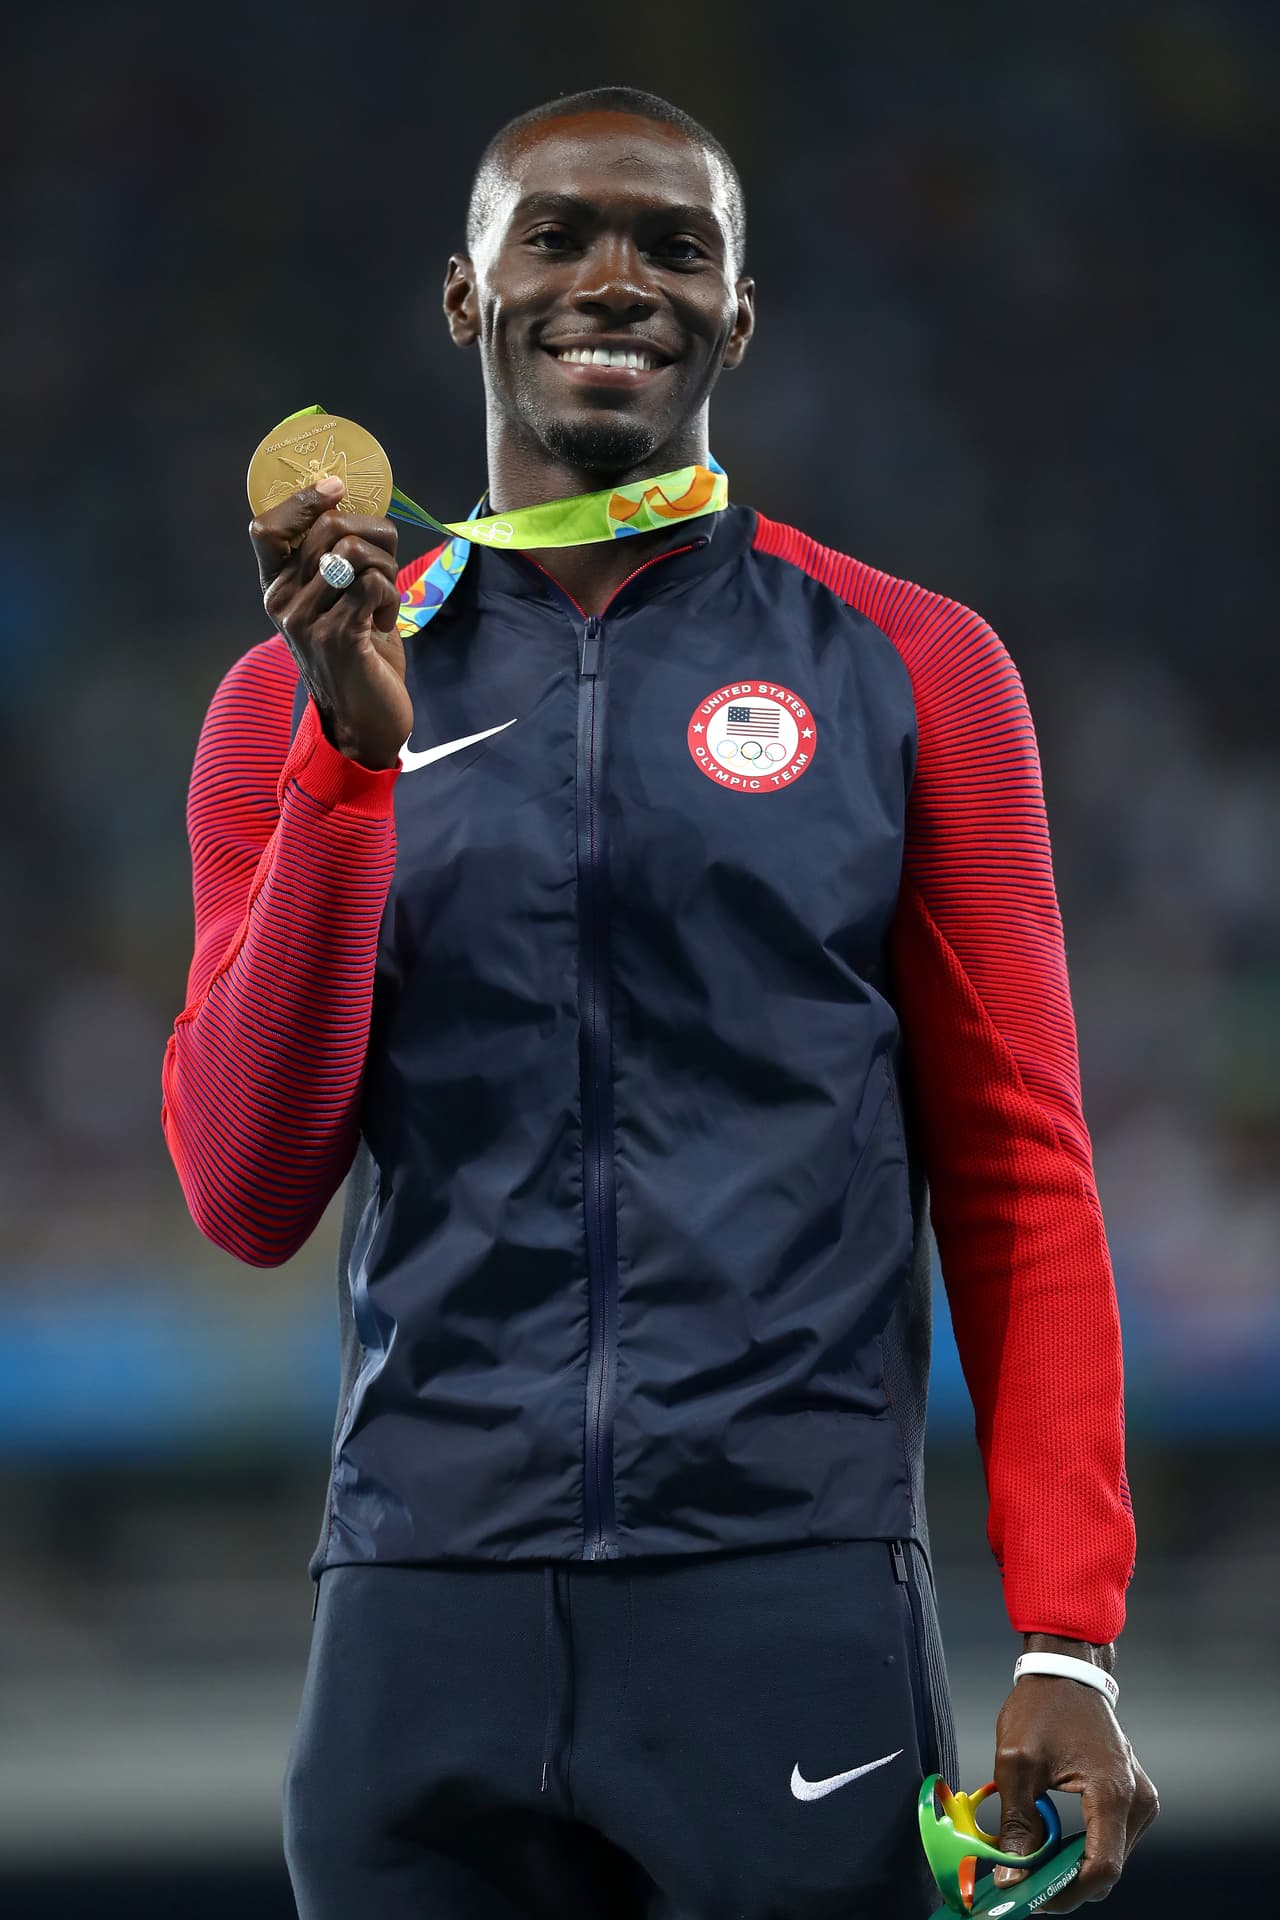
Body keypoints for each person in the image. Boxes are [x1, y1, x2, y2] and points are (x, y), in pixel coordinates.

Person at [162, 85, 1158, 1920]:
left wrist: (1068, 1636)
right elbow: (243, 1188)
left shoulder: (914, 669)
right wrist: (347, 770)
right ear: (466, 298)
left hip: (782, 1598)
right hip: (415, 1609)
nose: (613, 280)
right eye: (557, 236)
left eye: (672, 245)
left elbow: (1023, 1172)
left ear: (739, 313)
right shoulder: (283, 703)